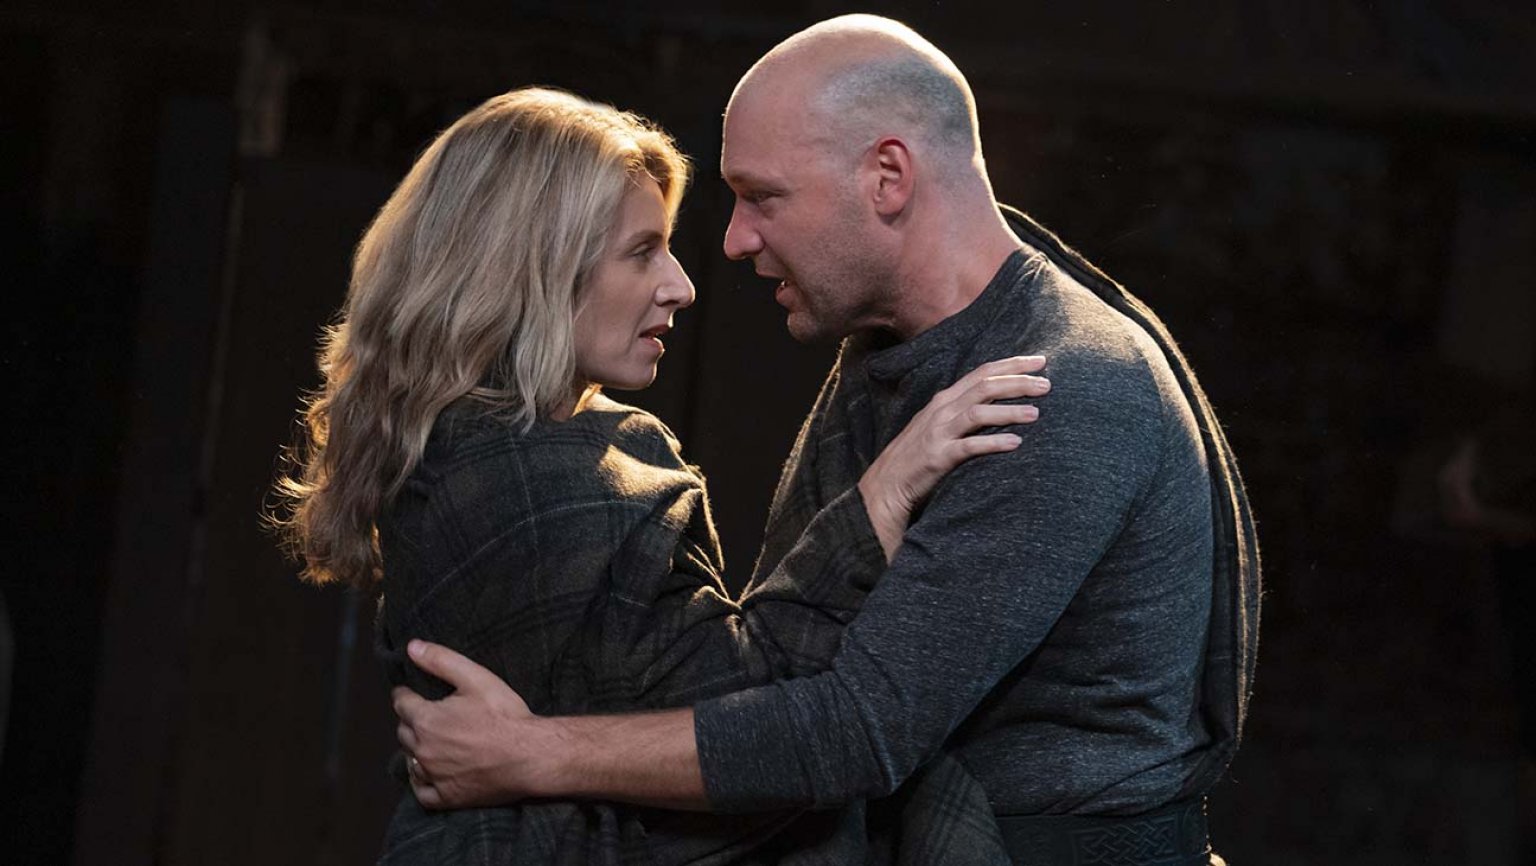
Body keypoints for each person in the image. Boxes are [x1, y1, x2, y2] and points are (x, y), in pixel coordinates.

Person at [394, 15, 1260, 866]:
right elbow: (781, 657)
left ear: (887, 176)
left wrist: (533, 755)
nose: (732, 241)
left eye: (763, 196)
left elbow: (857, 727)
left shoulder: (1056, 386)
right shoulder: (886, 349)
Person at [271, 86, 1051, 863]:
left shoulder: (481, 445)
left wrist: (534, 749)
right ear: (535, 268)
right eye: (642, 252)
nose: (680, 285)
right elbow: (745, 707)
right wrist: (888, 488)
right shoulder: (525, 472)